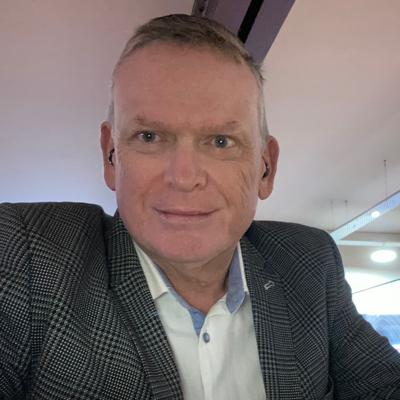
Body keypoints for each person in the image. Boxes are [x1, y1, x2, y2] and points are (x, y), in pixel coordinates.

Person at [1, 13, 399, 400]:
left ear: (266, 167)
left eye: (221, 142)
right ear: (111, 156)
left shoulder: (309, 262)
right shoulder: (26, 255)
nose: (184, 176)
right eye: (150, 136)